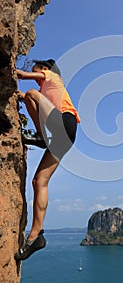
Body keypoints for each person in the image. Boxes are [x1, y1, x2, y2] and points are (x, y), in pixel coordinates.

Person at [14, 59, 80, 260]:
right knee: (39, 181)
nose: (35, 77)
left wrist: (12, 71)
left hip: (64, 124)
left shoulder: (52, 76)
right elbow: (29, 99)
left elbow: (23, 77)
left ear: (44, 69)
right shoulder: (50, 89)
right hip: (65, 136)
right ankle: (36, 236)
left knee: (32, 95)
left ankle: (41, 137)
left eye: (36, 72)